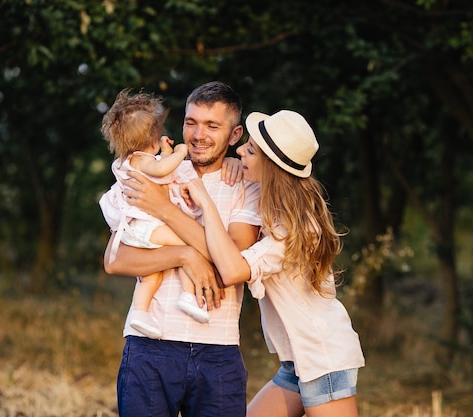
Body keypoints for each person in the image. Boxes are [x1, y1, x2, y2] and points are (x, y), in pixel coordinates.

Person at [180, 109, 365, 417]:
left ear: (271, 166)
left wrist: (205, 203)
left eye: (249, 149)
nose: (239, 151)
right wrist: (233, 164)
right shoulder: (275, 210)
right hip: (297, 362)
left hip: (322, 357)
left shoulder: (293, 230)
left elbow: (232, 270)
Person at [103, 82, 261, 417]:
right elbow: (116, 260)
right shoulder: (155, 172)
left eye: (212, 126)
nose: (199, 134)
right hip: (150, 345)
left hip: (218, 353)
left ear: (234, 135)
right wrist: (184, 255)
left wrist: (165, 210)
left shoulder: (247, 187)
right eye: (192, 122)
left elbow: (231, 264)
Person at [99, 89, 222, 337]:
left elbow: (160, 169)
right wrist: (179, 152)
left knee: (152, 274)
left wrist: (166, 155)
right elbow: (163, 168)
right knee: (191, 245)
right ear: (152, 141)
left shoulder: (130, 163)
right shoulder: (141, 162)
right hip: (147, 227)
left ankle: (140, 313)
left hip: (137, 230)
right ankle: (188, 295)